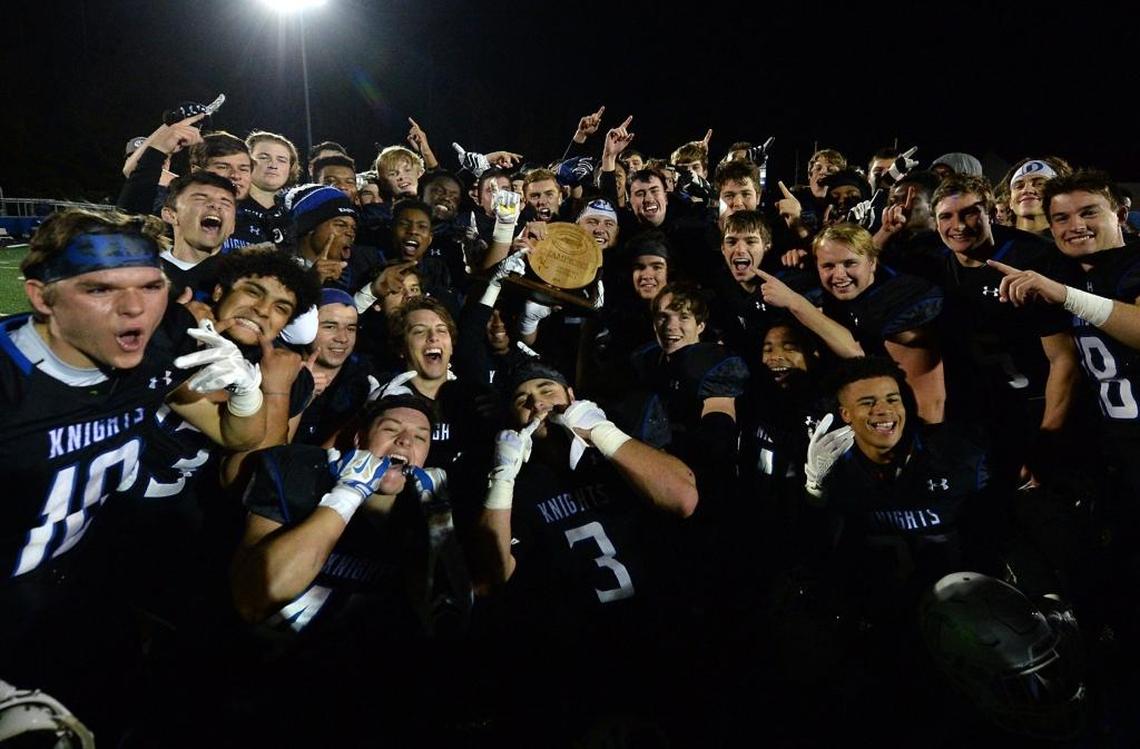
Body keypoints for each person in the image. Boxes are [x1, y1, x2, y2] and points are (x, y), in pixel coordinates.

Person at [0, 208, 264, 738]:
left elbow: (236, 435)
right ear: (42, 297)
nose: (134, 307)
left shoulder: (148, 355)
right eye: (100, 289)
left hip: (81, 598)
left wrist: (244, 391)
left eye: (150, 285)